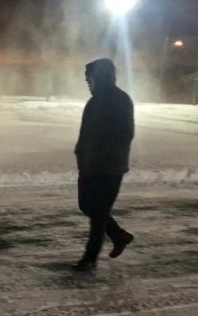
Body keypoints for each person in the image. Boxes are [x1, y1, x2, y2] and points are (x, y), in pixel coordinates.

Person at [73, 58, 135, 272]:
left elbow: (125, 134)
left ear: (99, 76)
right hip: (89, 165)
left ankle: (90, 258)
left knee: (98, 213)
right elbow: (86, 133)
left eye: (88, 77)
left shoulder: (121, 100)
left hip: (109, 167)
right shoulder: (94, 101)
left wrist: (101, 152)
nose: (86, 82)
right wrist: (81, 153)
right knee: (86, 205)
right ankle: (119, 235)